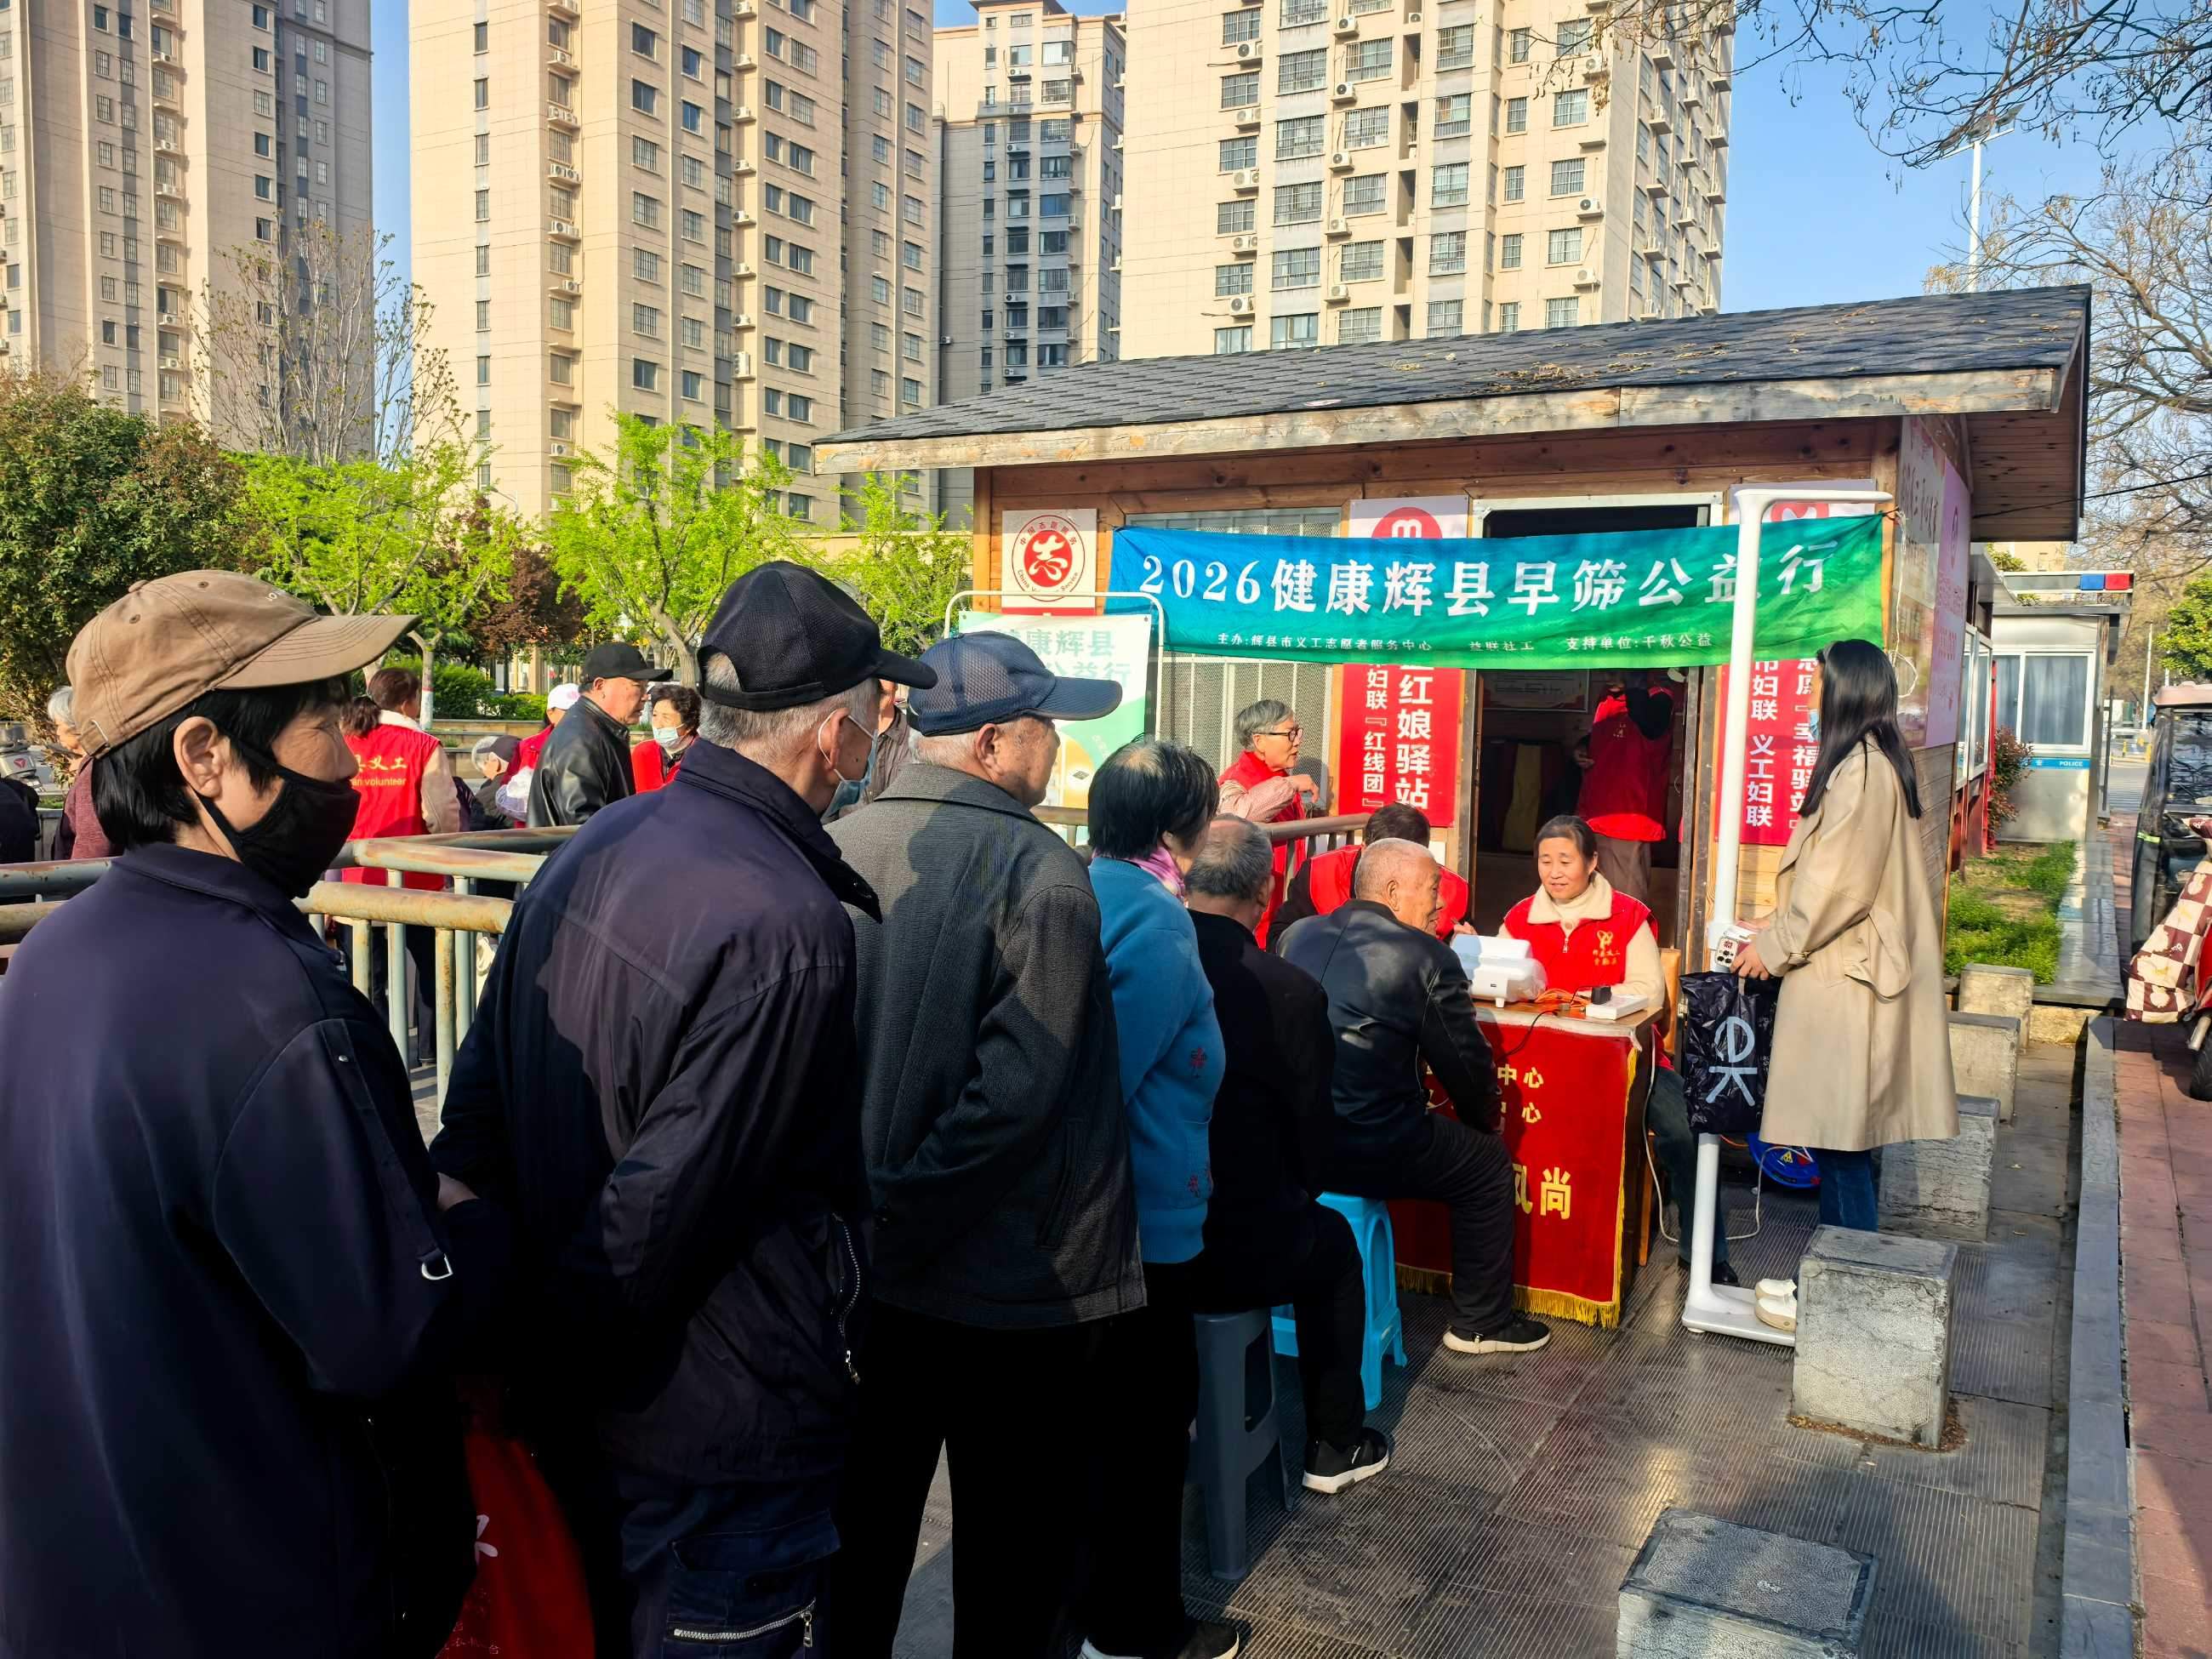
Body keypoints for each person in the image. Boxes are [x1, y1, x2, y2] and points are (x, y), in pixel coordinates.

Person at [430, 561, 935, 1655]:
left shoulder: (605, 840)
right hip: (710, 1432)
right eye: (879, 710)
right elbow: (660, 1210)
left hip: (592, 1406)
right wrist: (551, 1357)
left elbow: (477, 1105)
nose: (882, 731)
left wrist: (521, 1353)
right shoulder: (788, 922)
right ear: (835, 737)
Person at [0, 570, 508, 1656]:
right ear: (204, 757)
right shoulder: (273, 999)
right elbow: (385, 1335)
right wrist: (465, 1221)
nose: (351, 759)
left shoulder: (55, 953)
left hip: (78, 1569)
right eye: (326, 719)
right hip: (253, 1588)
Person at [824, 631, 1139, 1659]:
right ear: (994, 742)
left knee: (859, 1532)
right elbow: (1014, 1095)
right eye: (1047, 727)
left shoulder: (841, 841)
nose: (1060, 748)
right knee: (1013, 1557)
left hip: (863, 1269)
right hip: (1008, 1281)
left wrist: (871, 1222)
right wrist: (906, 1214)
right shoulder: (1039, 870)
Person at [1731, 640, 1958, 1329]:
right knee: (1844, 1145)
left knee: (1844, 1148)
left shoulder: (1859, 768)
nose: (1809, 695)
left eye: (1817, 683)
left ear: (1846, 690)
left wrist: (1774, 946)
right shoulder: (1877, 761)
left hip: (1848, 983)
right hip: (1853, 974)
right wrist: (1777, 922)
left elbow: (1837, 888)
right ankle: (1830, 1286)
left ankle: (1844, 1301)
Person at [1078, 739, 1238, 1659]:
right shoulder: (1154, 919)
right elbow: (1109, 1079)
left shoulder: (1092, 886)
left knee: (1113, 1422)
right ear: (1183, 827)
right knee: (1145, 1427)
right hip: (1139, 1221)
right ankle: (1134, 1625)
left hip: (1109, 1216)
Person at [1280, 840, 1551, 1357]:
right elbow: (1467, 1069)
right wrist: (1484, 1121)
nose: (1440, 903)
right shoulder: (1427, 956)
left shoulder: (1297, 936)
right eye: (1432, 889)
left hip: (1294, 1144)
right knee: (1486, 1163)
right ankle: (1481, 1322)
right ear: (1392, 890)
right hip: (1370, 1145)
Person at [1186, 815, 1387, 1491]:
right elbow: (1311, 1139)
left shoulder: (1139, 962)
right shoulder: (1289, 991)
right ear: (1265, 891)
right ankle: (1335, 1444)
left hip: (1137, 1238)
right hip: (1237, 1243)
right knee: (1332, 1247)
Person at [1502, 813, 1735, 1286]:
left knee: (1686, 1129)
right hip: (1539, 1069)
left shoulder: (1627, 916)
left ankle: (1704, 1252)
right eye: (1545, 861)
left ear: (1592, 862)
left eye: (1565, 860)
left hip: (1630, 1067)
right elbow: (1498, 980)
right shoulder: (1519, 918)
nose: (1554, 872)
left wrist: (1578, 998)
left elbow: (1651, 993)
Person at [340, 667, 462, 1059]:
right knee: (433, 970)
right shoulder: (423, 744)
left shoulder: (345, 741)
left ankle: (378, 1057)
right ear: (409, 702)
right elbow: (441, 815)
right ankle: (433, 1050)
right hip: (417, 880)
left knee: (367, 978)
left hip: (356, 880)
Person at [1269, 801, 1471, 945]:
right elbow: (1280, 938)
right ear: (1364, 848)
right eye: (1381, 860)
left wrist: (1463, 949)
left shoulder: (1453, 892)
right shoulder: (1320, 874)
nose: (1388, 875)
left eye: (1403, 867)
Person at [527, 646, 670, 827]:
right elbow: (584, 827)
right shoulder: (580, 740)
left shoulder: (596, 729)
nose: (645, 696)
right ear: (600, 686)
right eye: (638, 686)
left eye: (646, 687)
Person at [1217, 697, 1320, 945]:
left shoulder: (1278, 776)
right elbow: (1236, 814)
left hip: (1281, 901)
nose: (1297, 741)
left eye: (1297, 732)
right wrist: (1290, 785)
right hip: (1253, 909)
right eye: (1289, 734)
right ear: (1259, 740)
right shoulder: (1236, 779)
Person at [1582, 670, 1675, 904]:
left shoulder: (1659, 697)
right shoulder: (1607, 697)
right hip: (1593, 812)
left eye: (1615, 669)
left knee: (1626, 902)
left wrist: (1635, 682)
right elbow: (1601, 737)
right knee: (1592, 898)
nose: (1607, 676)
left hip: (1628, 816)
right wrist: (1581, 747)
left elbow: (1650, 726)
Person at [48, 685, 111, 861]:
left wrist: (73, 875)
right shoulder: (98, 763)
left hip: (82, 875)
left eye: (58, 725)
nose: (57, 732)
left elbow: (93, 843)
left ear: (76, 724)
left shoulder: (93, 772)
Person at [632, 684, 701, 793]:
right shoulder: (642, 753)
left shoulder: (704, 757)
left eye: (666, 718)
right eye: (655, 715)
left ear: (689, 726)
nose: (658, 725)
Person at [512, 681, 579, 777]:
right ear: (550, 713)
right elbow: (510, 783)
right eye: (569, 711)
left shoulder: (598, 744)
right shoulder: (528, 747)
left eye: (582, 710)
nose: (577, 715)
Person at [467, 735, 523, 830]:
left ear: (495, 763)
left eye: (487, 762)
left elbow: (477, 835)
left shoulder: (486, 797)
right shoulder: (537, 784)